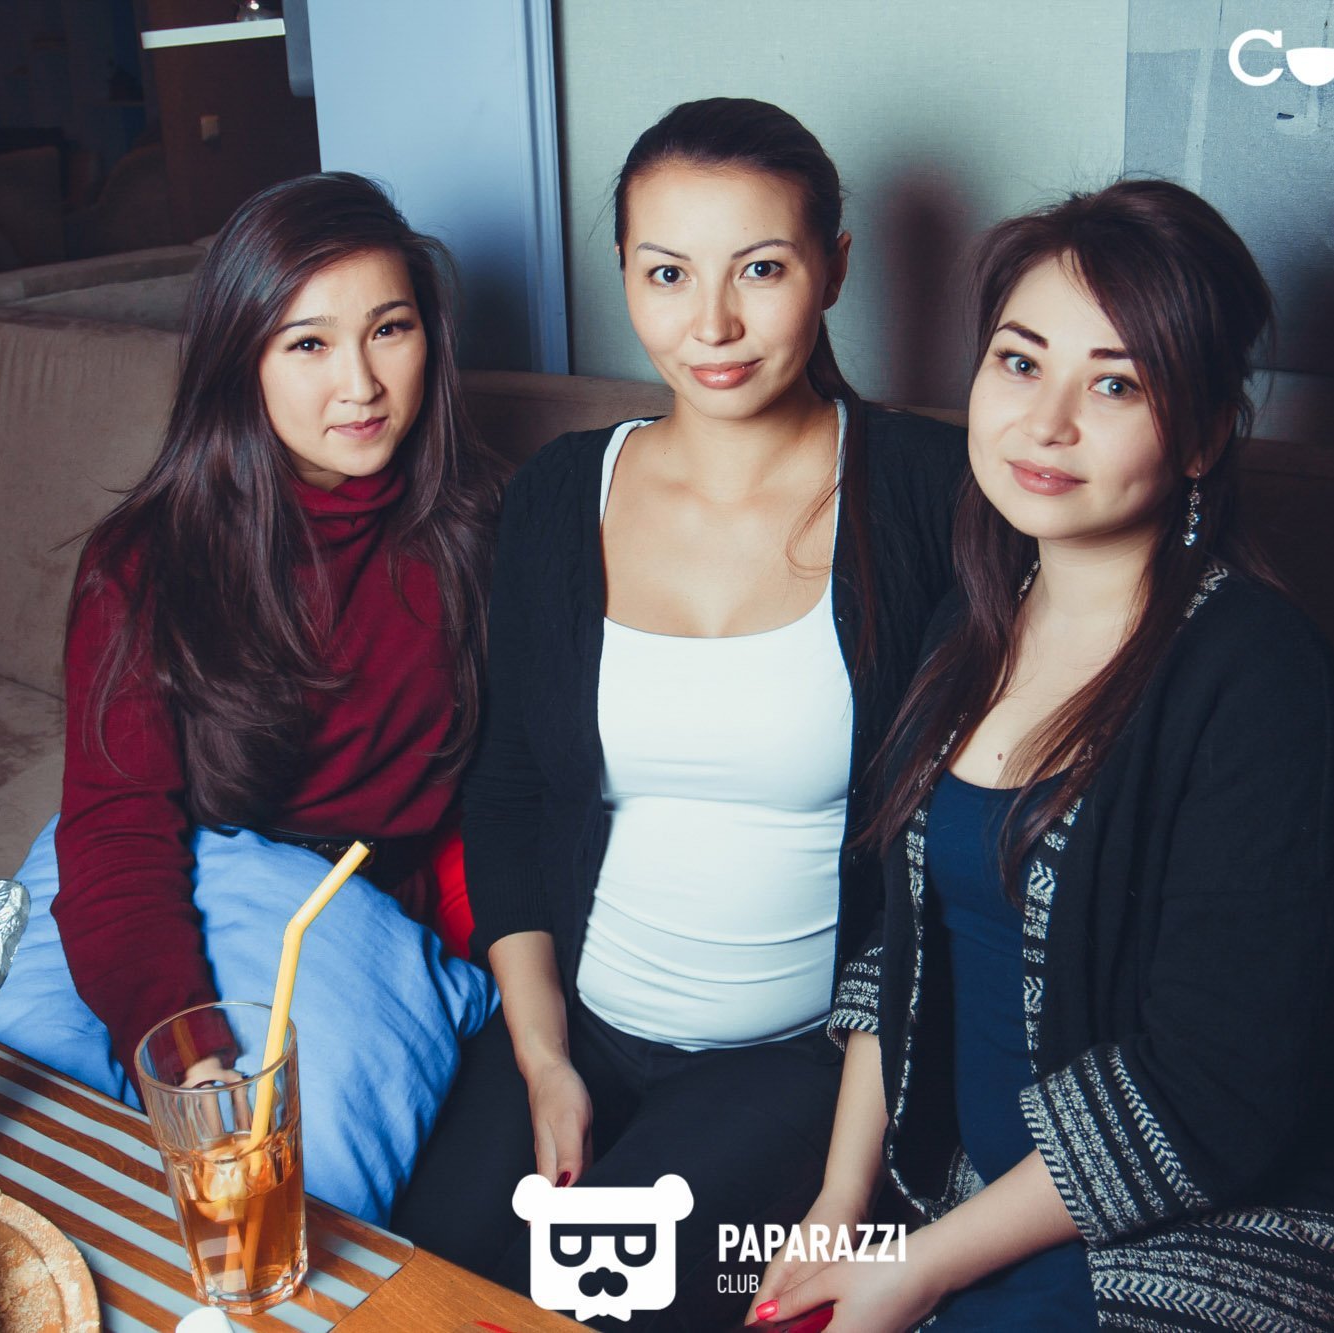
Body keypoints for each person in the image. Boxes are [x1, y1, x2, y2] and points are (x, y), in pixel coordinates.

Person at [751, 181, 1334, 1331]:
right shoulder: (969, 621)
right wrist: (839, 1204)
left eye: (1115, 384)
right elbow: (901, 944)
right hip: (990, 1199)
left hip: (1244, 1216)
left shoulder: (1260, 681)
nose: (1046, 421)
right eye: (1018, 362)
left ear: (1205, 435)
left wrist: (920, 1267)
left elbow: (1216, 1085)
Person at [389, 99, 967, 1328]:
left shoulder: (926, 493)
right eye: (666, 273)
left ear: (833, 270)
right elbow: (505, 790)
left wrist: (851, 1180)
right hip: (579, 1023)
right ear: (623, 273)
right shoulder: (559, 494)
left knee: (602, 1292)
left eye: (759, 269)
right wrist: (542, 1054)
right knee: (419, 1277)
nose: (710, 325)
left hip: (801, 1059)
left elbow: (947, 860)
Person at [0, 172, 500, 1225]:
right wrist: (188, 1047)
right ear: (241, 359)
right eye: (308, 343)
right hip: (142, 866)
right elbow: (116, 824)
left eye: (389, 329)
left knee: (274, 1211)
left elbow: (504, 791)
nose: (360, 383)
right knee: (3, 1149)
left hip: (339, 906)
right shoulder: (147, 557)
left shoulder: (485, 532)